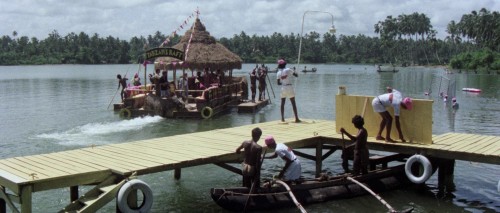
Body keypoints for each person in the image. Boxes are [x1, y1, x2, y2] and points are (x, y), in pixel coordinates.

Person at [276, 58, 300, 123]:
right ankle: (296, 119)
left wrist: (283, 82)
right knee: (293, 103)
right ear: (284, 64)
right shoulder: (288, 70)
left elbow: (278, 83)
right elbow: (296, 75)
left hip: (283, 88)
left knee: (282, 103)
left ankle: (282, 118)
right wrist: (296, 73)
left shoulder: (278, 73)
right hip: (289, 87)